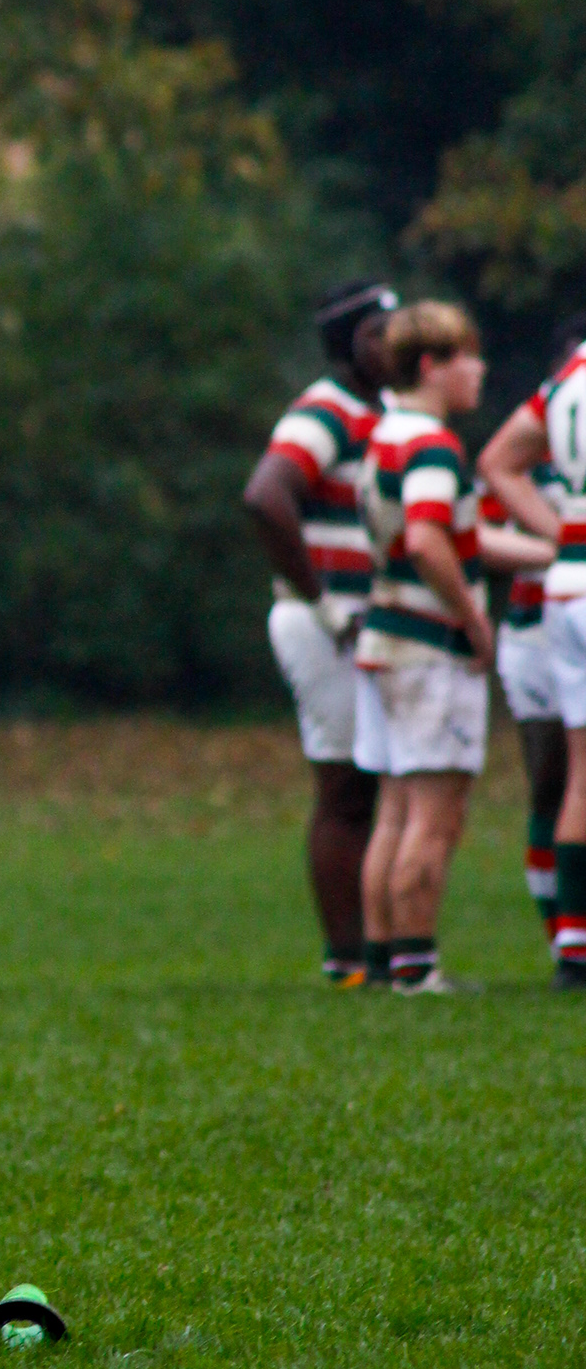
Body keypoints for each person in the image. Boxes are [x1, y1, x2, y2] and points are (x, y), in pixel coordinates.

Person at [353, 302, 544, 992]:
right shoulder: (433, 445)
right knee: (436, 813)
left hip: (385, 639)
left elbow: (453, 534)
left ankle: (384, 961)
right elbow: (429, 541)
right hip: (429, 647)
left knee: (396, 808)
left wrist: (551, 550)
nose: (480, 370)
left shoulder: (386, 435)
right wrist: (473, 620)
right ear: (432, 366)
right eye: (469, 356)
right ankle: (419, 968)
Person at [242, 281, 396, 984]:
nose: (394, 344)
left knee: (372, 785)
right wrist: (324, 601)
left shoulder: (382, 412)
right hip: (325, 622)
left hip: (364, 621)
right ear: (349, 343)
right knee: (345, 788)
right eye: (378, 333)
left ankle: (378, 950)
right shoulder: (325, 411)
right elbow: (265, 494)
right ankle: (349, 960)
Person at [479, 319, 586, 987]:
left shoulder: (565, 388)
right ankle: (568, 937)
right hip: (542, 616)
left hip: (565, 592)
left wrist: (564, 537)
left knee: (577, 775)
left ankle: (573, 943)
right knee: (561, 777)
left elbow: (495, 461)